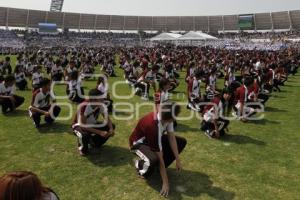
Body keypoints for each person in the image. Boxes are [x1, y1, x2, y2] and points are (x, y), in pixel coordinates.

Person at [129, 102, 186, 197]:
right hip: (138, 143)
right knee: (154, 159)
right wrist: (166, 182)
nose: (176, 118)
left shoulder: (167, 118)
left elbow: (171, 138)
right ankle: (139, 165)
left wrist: (178, 159)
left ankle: (159, 169)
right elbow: (160, 156)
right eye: (175, 116)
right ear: (169, 118)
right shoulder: (153, 127)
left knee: (181, 141)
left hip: (152, 139)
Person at [72, 89, 116, 156]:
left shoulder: (100, 104)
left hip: (91, 124)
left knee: (111, 126)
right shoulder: (84, 106)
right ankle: (82, 148)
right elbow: (83, 125)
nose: (103, 100)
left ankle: (94, 142)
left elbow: (107, 118)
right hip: (78, 126)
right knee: (85, 135)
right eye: (101, 99)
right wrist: (100, 132)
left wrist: (111, 129)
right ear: (93, 100)